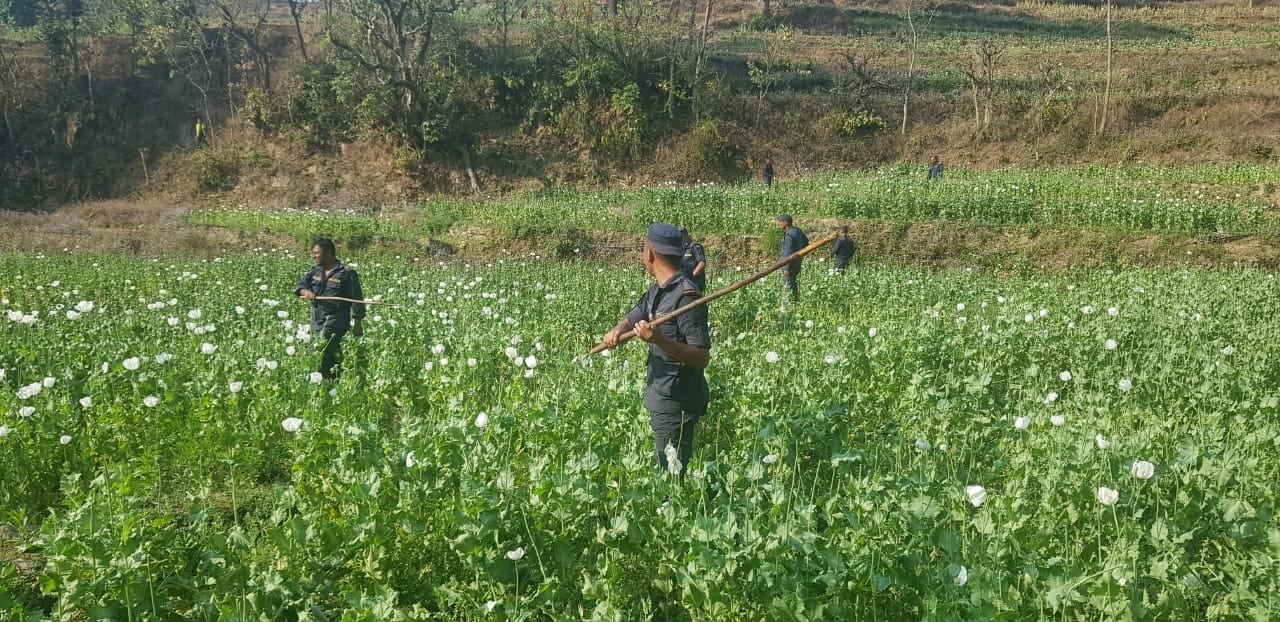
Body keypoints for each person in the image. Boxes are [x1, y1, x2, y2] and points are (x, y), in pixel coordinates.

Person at [602, 223, 711, 479]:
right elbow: (633, 317)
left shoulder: (686, 297)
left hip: (676, 398)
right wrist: (618, 330)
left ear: (650, 253)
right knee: (668, 466)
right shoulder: (658, 289)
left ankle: (674, 514)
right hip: (660, 391)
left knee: (671, 474)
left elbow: (701, 357)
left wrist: (660, 340)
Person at [295, 238, 366, 380]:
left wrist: (358, 323)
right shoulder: (315, 271)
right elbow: (300, 286)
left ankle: (323, 380)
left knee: (321, 350)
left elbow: (357, 300)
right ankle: (333, 381)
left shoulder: (346, 273)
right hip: (317, 320)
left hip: (336, 321)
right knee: (331, 353)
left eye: (316, 253)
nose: (313, 256)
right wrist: (306, 292)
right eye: (313, 253)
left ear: (328, 253)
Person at [777, 215, 809, 301]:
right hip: (797, 261)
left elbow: (787, 252)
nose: (779, 224)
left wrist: (786, 268)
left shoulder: (789, 235)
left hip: (789, 263)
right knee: (793, 281)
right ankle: (796, 300)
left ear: (786, 223)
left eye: (780, 221)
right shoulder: (798, 231)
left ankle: (787, 303)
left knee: (788, 282)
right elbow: (806, 243)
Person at [680, 227, 707, 292]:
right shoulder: (681, 248)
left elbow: (702, 263)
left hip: (695, 283)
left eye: (682, 235)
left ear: (686, 235)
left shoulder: (695, 246)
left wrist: (691, 276)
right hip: (685, 284)